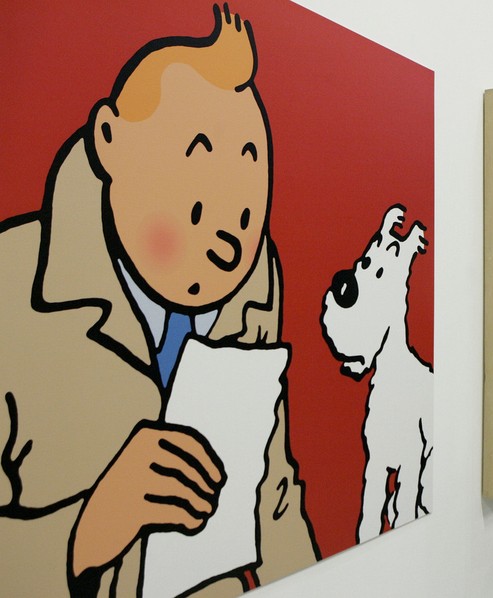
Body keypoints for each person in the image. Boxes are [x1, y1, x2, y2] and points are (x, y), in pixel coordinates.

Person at [0, 6, 317, 596]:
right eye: (198, 165)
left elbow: (269, 484)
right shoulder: (11, 283)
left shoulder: (255, 287)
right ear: (109, 140)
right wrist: (90, 528)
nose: (229, 238)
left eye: (247, 208)